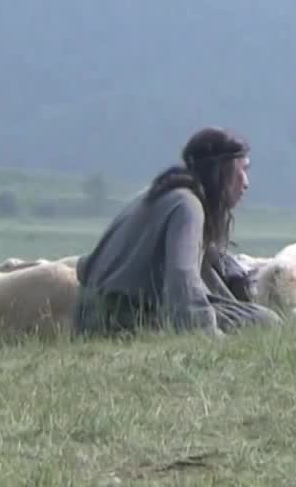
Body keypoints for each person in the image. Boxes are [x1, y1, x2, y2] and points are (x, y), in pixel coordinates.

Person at [72, 127, 280, 336]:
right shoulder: (187, 206)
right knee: (266, 321)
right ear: (219, 171)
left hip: (88, 317)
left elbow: (86, 267)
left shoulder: (156, 195)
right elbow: (182, 277)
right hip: (126, 321)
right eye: (240, 171)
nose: (246, 182)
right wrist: (208, 334)